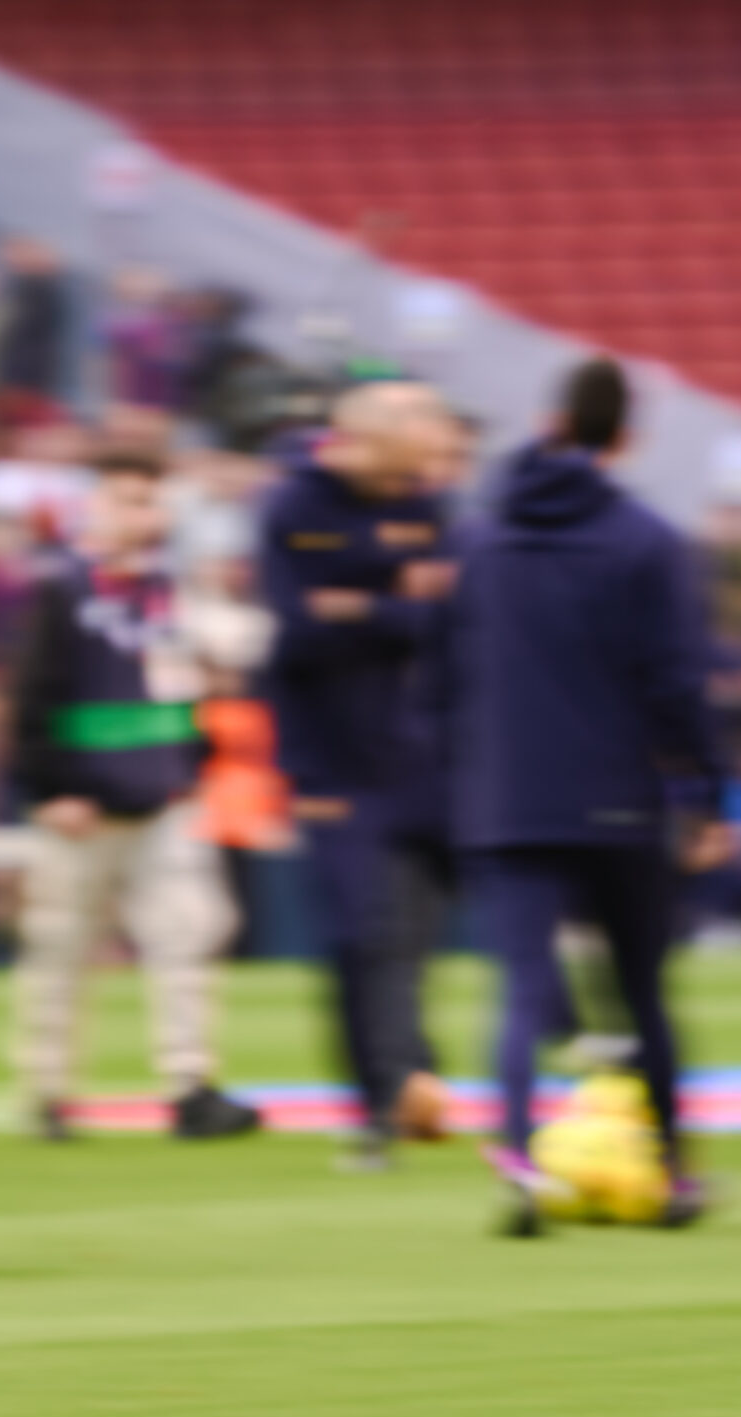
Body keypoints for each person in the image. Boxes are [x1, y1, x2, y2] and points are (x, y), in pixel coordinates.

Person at [446, 357, 731, 1234]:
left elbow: (448, 667)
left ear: (551, 422)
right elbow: (678, 682)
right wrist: (709, 796)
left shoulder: (482, 539)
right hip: (617, 794)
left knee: (524, 988)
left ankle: (520, 1161)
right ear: (627, 438)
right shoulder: (647, 540)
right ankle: (675, 1172)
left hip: (508, 794)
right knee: (640, 992)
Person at [9, 449, 261, 1143]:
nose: (141, 514)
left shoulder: (169, 595)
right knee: (61, 948)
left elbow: (193, 689)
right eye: (125, 499)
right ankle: (48, 1089)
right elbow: (29, 696)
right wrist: (51, 786)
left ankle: (191, 1084)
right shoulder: (62, 589)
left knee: (188, 937)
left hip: (163, 798)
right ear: (92, 507)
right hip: (84, 807)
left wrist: (192, 764)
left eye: (149, 501)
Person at [256, 381, 459, 1169]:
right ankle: (379, 1103)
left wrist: (357, 606)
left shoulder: (426, 505)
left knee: (410, 936)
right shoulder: (293, 509)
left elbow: (444, 619)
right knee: (354, 938)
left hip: (420, 756)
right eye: (399, 466)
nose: (409, 484)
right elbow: (296, 633)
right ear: (354, 442)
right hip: (331, 766)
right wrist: (391, 598)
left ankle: (408, 1077)